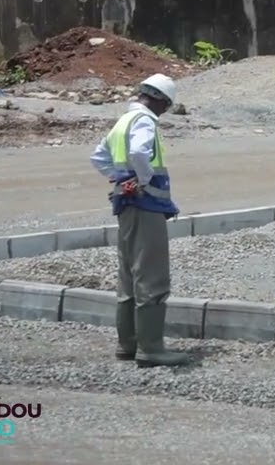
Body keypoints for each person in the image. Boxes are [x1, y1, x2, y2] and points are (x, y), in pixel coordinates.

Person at [89, 73, 190, 368]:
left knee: (129, 274)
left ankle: (128, 344)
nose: (164, 112)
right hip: (146, 205)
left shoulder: (122, 121)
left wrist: (120, 179)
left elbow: (98, 158)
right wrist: (141, 180)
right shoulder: (144, 121)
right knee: (151, 275)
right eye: (166, 106)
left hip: (126, 205)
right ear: (159, 100)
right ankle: (151, 348)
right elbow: (138, 152)